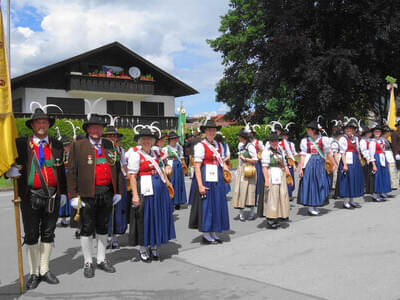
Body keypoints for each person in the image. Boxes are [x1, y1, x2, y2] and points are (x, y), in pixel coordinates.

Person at [6, 107, 67, 289]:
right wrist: (10, 171)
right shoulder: (21, 144)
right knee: (32, 235)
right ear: (32, 125)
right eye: (38, 122)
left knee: (48, 233)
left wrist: (63, 192)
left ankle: (44, 270)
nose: (41, 125)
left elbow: (61, 171)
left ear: (48, 124)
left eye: (44, 122)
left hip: (53, 196)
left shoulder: (56, 144)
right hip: (29, 196)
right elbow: (8, 160)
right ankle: (33, 272)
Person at [67, 114, 123, 278]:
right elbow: (71, 173)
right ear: (87, 129)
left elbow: (117, 169)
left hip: (106, 192)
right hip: (87, 194)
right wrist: (73, 195)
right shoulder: (78, 146)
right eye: (92, 127)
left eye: (98, 127)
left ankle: (101, 259)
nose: (96, 130)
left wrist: (118, 191)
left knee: (103, 227)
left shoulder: (109, 145)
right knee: (86, 228)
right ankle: (87, 262)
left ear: (102, 129)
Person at [127, 125, 176, 262]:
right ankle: (143, 248)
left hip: (159, 189)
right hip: (144, 189)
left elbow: (161, 169)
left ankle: (154, 246)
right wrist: (135, 195)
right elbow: (132, 176)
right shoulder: (136, 155)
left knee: (157, 216)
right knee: (145, 217)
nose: (146, 141)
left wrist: (167, 183)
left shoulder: (156, 153)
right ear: (140, 141)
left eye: (149, 139)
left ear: (153, 140)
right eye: (144, 139)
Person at [188, 119, 230, 244]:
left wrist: (225, 173)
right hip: (206, 176)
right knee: (207, 204)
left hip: (217, 176)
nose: (212, 132)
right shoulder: (200, 146)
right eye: (209, 130)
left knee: (216, 203)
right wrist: (200, 184)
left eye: (213, 130)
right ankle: (206, 233)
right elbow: (197, 166)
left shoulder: (218, 145)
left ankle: (214, 231)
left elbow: (222, 161)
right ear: (205, 132)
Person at [298, 121, 335, 215]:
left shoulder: (323, 140)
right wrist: (301, 168)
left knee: (321, 183)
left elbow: (328, 153)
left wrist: (333, 163)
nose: (307, 131)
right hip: (310, 164)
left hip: (320, 164)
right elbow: (303, 155)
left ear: (314, 130)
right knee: (311, 184)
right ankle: (311, 206)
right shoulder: (305, 141)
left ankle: (316, 204)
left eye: (309, 129)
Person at [102, 125, 128, 249]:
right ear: (105, 137)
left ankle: (115, 237)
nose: (112, 137)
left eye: (114, 135)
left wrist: (128, 178)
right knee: (106, 209)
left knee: (118, 209)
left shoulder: (120, 150)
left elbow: (124, 165)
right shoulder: (101, 149)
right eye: (110, 135)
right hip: (106, 180)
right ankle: (106, 237)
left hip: (119, 180)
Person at [259, 133, 290, 228]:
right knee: (272, 196)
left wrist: (289, 175)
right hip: (272, 173)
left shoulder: (280, 150)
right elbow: (264, 167)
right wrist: (267, 180)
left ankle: (278, 215)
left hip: (280, 173)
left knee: (282, 194)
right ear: (270, 142)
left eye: (276, 141)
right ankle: (271, 218)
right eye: (272, 141)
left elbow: (284, 164)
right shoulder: (266, 152)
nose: (274, 143)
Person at [232, 128, 258, 221]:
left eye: (239, 136)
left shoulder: (250, 146)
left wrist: (245, 159)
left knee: (250, 191)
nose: (238, 138)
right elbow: (239, 158)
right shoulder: (240, 146)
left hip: (249, 170)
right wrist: (238, 168)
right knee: (240, 191)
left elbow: (255, 159)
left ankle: (251, 212)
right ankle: (241, 213)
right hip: (241, 170)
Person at [338, 121, 364, 209]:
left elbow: (357, 150)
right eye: (347, 129)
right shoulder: (342, 139)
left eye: (351, 129)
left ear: (353, 130)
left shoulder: (355, 139)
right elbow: (342, 153)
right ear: (345, 130)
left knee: (354, 180)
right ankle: (345, 201)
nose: (349, 130)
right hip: (347, 161)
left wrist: (360, 160)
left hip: (355, 161)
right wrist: (344, 164)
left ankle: (352, 200)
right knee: (347, 180)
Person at [162, 131, 187, 210]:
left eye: (176, 138)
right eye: (173, 138)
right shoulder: (165, 148)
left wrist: (184, 166)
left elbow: (182, 158)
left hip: (178, 165)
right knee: (172, 182)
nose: (175, 140)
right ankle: (171, 200)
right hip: (171, 166)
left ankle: (178, 201)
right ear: (170, 140)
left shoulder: (179, 147)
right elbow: (164, 160)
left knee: (179, 183)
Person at [369, 124, 392, 201]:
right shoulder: (372, 142)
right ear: (373, 132)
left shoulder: (382, 140)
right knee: (377, 177)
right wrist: (374, 165)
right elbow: (371, 154)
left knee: (383, 175)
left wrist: (386, 160)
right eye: (376, 131)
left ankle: (381, 191)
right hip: (377, 159)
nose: (377, 133)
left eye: (379, 131)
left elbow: (384, 150)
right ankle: (375, 195)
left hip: (382, 159)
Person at [58, 136, 72, 227]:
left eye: (68, 145)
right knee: (63, 197)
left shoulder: (72, 154)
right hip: (63, 177)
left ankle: (70, 216)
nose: (67, 147)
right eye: (65, 146)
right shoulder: (59, 155)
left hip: (70, 177)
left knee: (70, 196)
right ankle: (62, 218)